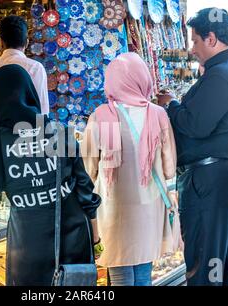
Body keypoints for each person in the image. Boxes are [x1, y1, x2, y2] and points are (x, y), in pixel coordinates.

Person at [157, 8, 228, 286]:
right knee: (222, 259)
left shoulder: (222, 74)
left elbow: (195, 124)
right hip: (225, 176)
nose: (192, 49)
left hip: (212, 179)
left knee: (205, 261)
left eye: (195, 41)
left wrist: (170, 106)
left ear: (211, 38)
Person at [0, 64, 101, 285]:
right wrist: (96, 237)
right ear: (30, 93)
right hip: (72, 238)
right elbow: (85, 190)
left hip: (26, 246)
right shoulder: (60, 131)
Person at [81, 53, 177, 286]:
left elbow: (88, 168)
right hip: (149, 205)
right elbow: (169, 165)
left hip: (114, 208)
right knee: (143, 270)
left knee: (120, 272)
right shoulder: (158, 114)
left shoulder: (103, 116)